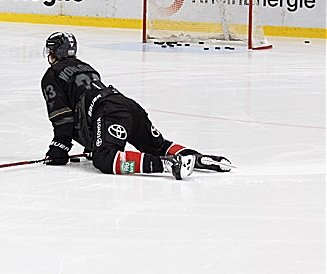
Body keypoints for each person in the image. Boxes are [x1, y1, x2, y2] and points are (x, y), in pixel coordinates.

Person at [40, 32, 233, 179]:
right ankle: (197, 157)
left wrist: (59, 148)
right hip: (127, 105)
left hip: (108, 112)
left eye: (50, 50)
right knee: (159, 145)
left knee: (105, 159)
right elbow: (84, 105)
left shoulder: (52, 75)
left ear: (56, 52)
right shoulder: (87, 67)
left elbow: (63, 117)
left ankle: (167, 165)